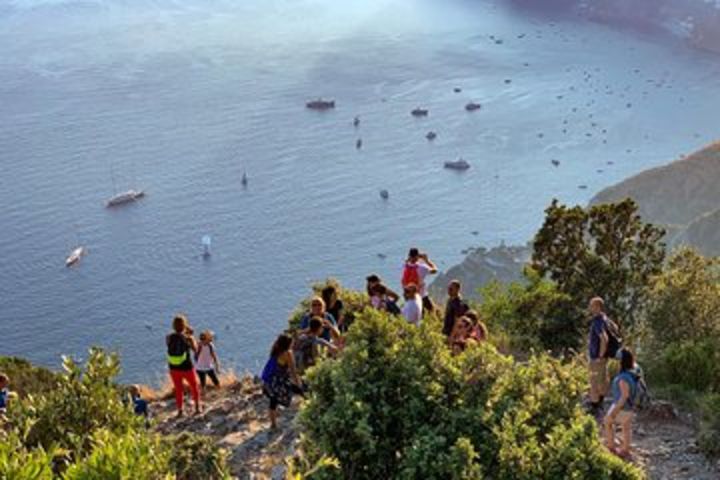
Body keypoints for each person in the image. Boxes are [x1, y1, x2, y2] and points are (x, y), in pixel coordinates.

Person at [261, 334, 304, 429]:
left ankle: (273, 424)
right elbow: (293, 371)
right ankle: (312, 410)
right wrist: (298, 384)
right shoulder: (288, 353)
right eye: (292, 342)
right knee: (302, 392)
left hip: (270, 382)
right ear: (288, 344)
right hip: (280, 381)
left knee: (273, 401)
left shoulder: (275, 351)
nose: (293, 344)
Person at [604, 348, 638, 460]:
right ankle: (625, 450)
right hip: (631, 407)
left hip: (622, 406)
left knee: (608, 423)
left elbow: (624, 396)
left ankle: (611, 448)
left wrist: (614, 411)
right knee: (626, 427)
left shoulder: (623, 378)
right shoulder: (632, 374)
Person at [166, 315, 201, 417]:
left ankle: (180, 410)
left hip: (173, 367)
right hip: (186, 367)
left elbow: (169, 345)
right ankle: (197, 408)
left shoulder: (168, 337)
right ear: (185, 325)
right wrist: (191, 337)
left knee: (178, 389)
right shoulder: (188, 338)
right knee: (194, 386)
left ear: (173, 326)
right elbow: (196, 350)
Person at [401, 248, 438, 312]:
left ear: (409, 256)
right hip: (421, 295)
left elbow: (407, 261)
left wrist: (414, 257)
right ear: (417, 256)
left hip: (409, 296)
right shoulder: (422, 267)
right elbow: (435, 270)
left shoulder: (405, 266)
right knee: (431, 312)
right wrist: (427, 260)